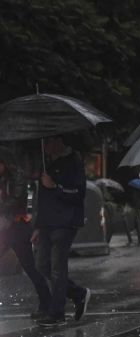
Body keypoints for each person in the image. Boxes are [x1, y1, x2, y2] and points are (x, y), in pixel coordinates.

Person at [31, 137, 91, 327]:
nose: (45, 148)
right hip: (47, 223)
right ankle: (78, 293)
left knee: (58, 268)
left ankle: (56, 313)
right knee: (42, 265)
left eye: (47, 143)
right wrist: (38, 227)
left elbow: (79, 192)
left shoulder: (73, 160)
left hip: (64, 223)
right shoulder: (46, 162)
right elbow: (42, 199)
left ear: (57, 141)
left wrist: (55, 186)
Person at [0, 156, 49, 318]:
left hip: (17, 227)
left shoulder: (17, 177)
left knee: (30, 267)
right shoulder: (4, 178)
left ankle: (46, 303)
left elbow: (15, 200)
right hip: (4, 227)